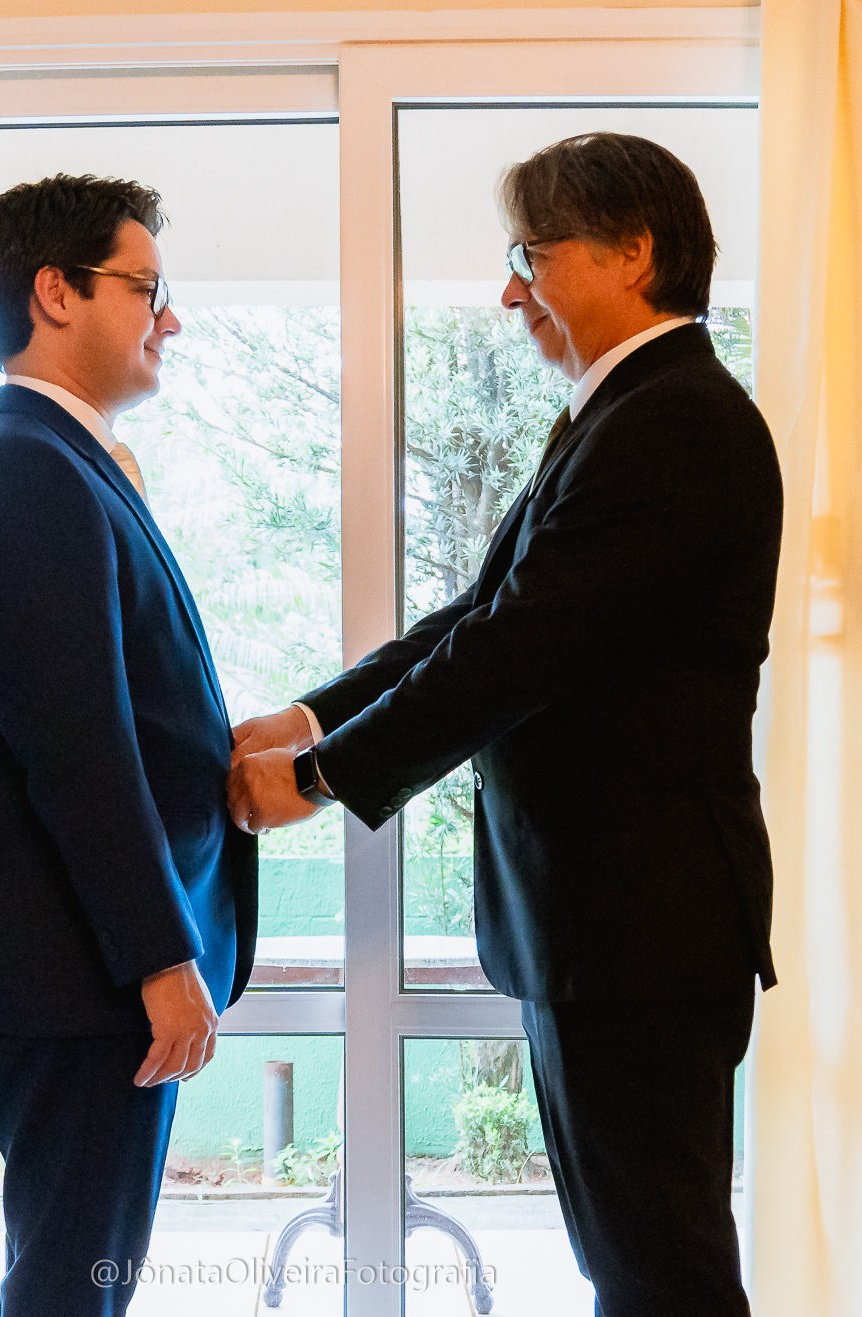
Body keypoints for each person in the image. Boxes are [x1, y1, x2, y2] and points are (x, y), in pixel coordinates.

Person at [228, 132, 781, 1316]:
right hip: (607, 927)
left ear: (634, 252)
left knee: (659, 1266)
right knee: (630, 1259)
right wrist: (311, 711)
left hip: (640, 927)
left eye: (531, 254)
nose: (507, 288)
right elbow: (478, 616)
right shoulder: (619, 409)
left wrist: (321, 776)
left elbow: (517, 650)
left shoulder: (672, 419)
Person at [0, 174, 257, 1317]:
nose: (169, 319)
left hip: (80, 960)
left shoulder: (62, 463)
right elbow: (78, 743)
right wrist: (158, 959)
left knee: (81, 1281)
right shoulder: (27, 469)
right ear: (55, 293)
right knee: (72, 1288)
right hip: (75, 963)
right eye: (147, 289)